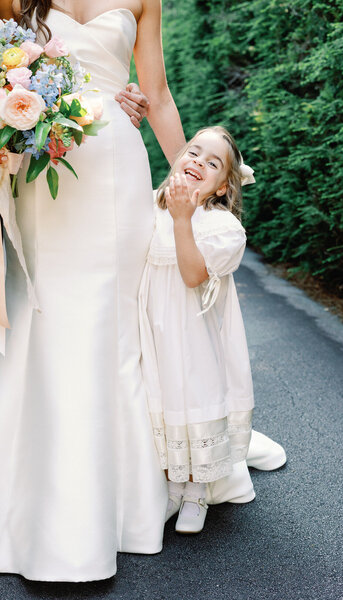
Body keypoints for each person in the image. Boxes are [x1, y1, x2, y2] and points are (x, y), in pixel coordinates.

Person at [0, 0, 285, 582]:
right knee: (48, 310)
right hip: (41, 165)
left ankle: (127, 494)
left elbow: (154, 89)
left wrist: (192, 183)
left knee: (117, 316)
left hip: (115, 166)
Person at [139, 126, 257, 534]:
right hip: (153, 331)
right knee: (163, 396)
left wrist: (182, 219)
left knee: (194, 396)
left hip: (194, 340)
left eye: (212, 163)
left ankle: (197, 491)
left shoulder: (221, 227)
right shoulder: (151, 210)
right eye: (193, 152)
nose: (198, 163)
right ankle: (172, 484)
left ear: (222, 186)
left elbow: (192, 276)